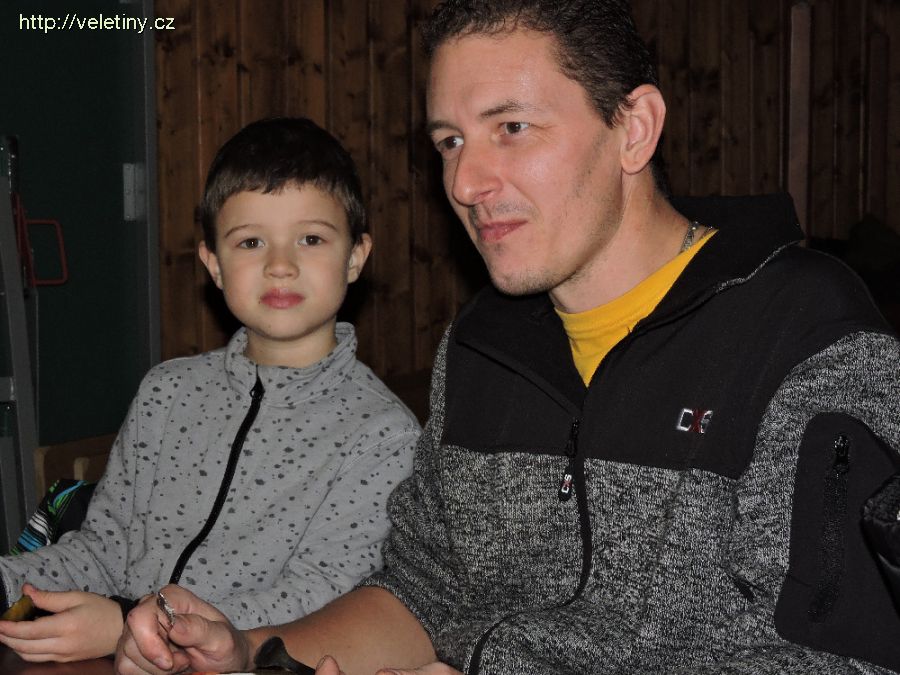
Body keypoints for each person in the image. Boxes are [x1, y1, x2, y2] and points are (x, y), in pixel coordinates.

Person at [116, 1, 900, 673]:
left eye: (512, 127)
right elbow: (421, 591)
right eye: (450, 141)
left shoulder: (806, 333)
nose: (464, 183)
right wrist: (245, 650)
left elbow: (840, 658)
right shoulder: (479, 344)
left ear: (634, 129)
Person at [0, 117, 419, 663]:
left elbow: (323, 598)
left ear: (356, 256)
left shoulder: (383, 435)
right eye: (251, 242)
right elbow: (103, 548)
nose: (281, 265)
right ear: (214, 264)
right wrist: (8, 582)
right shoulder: (166, 392)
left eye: (311, 239)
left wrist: (140, 625)